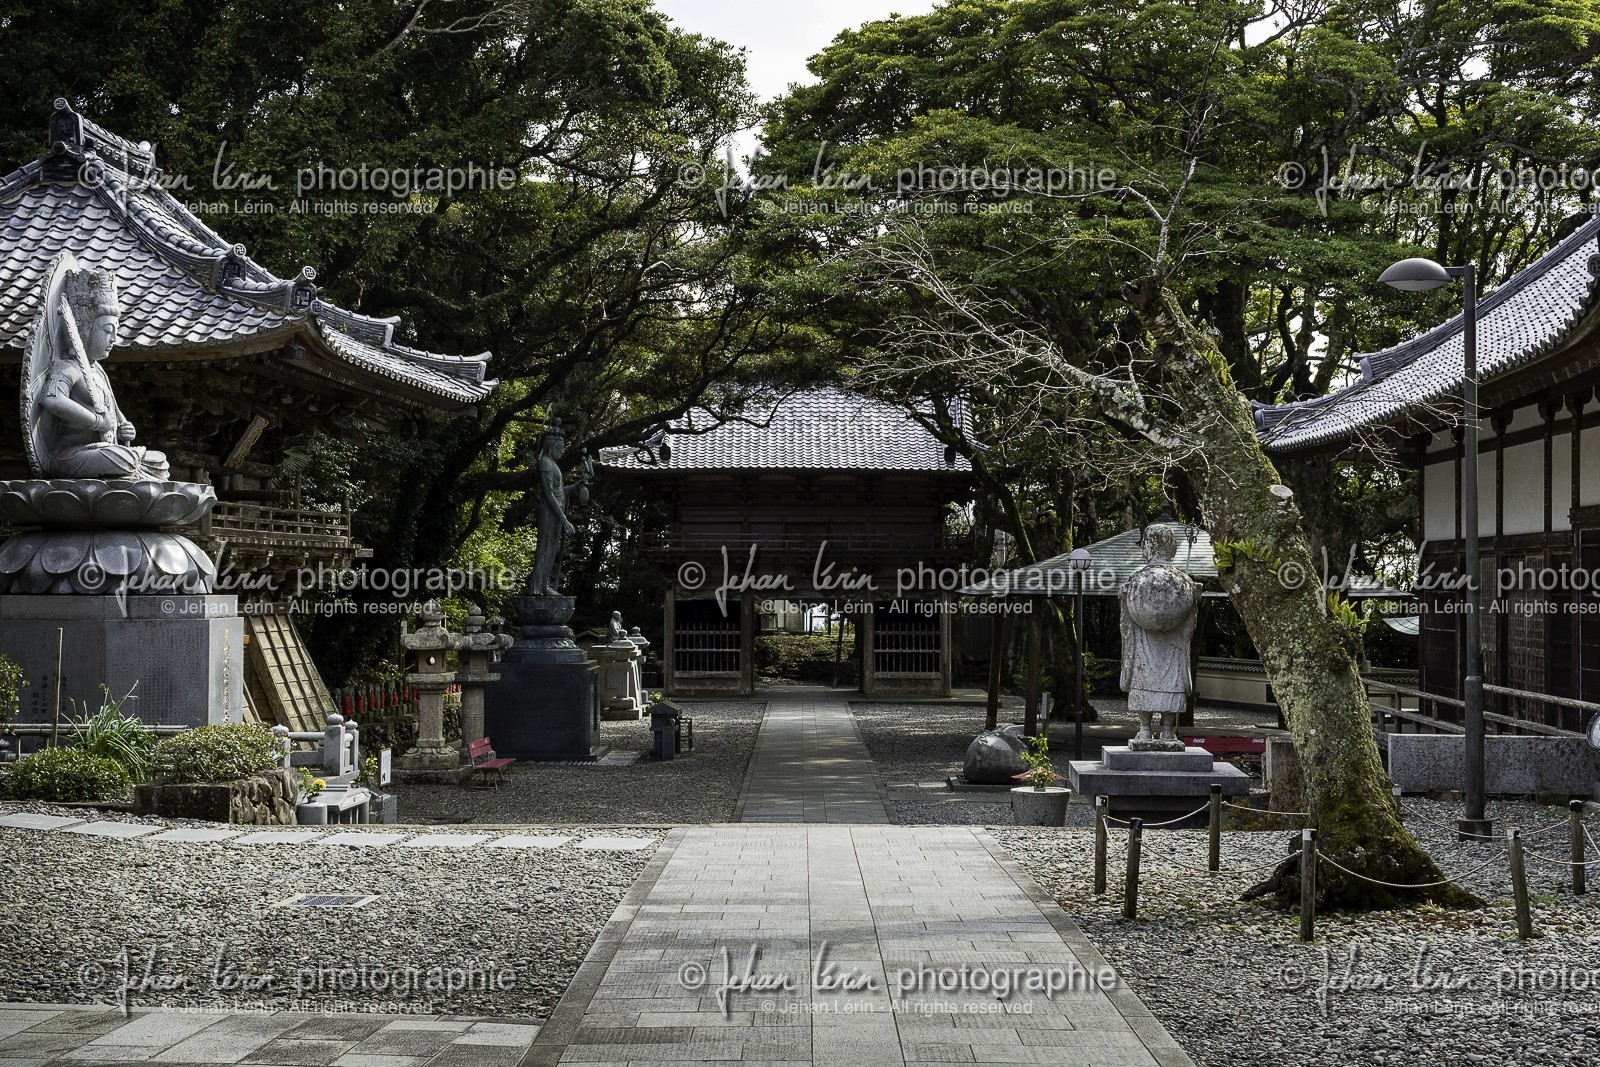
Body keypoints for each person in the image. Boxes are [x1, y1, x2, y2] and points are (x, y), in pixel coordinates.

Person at [32, 263, 168, 480]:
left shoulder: (99, 372)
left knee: (158, 460)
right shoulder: (67, 367)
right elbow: (52, 399)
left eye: (115, 331)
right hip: (71, 453)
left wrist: (125, 428)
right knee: (123, 459)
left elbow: (115, 415)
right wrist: (96, 422)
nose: (113, 339)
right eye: (107, 331)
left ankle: (132, 466)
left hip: (104, 448)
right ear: (84, 330)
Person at [1119, 524, 1197, 749]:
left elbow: (1127, 623)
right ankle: (1167, 731)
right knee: (1171, 681)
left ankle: (1145, 729)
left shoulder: (1137, 579)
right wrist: (1194, 601)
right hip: (1172, 645)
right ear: (1172, 547)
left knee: (1143, 677)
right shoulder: (1183, 581)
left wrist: (1123, 600)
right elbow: (1190, 623)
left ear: (1146, 546)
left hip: (1145, 643)